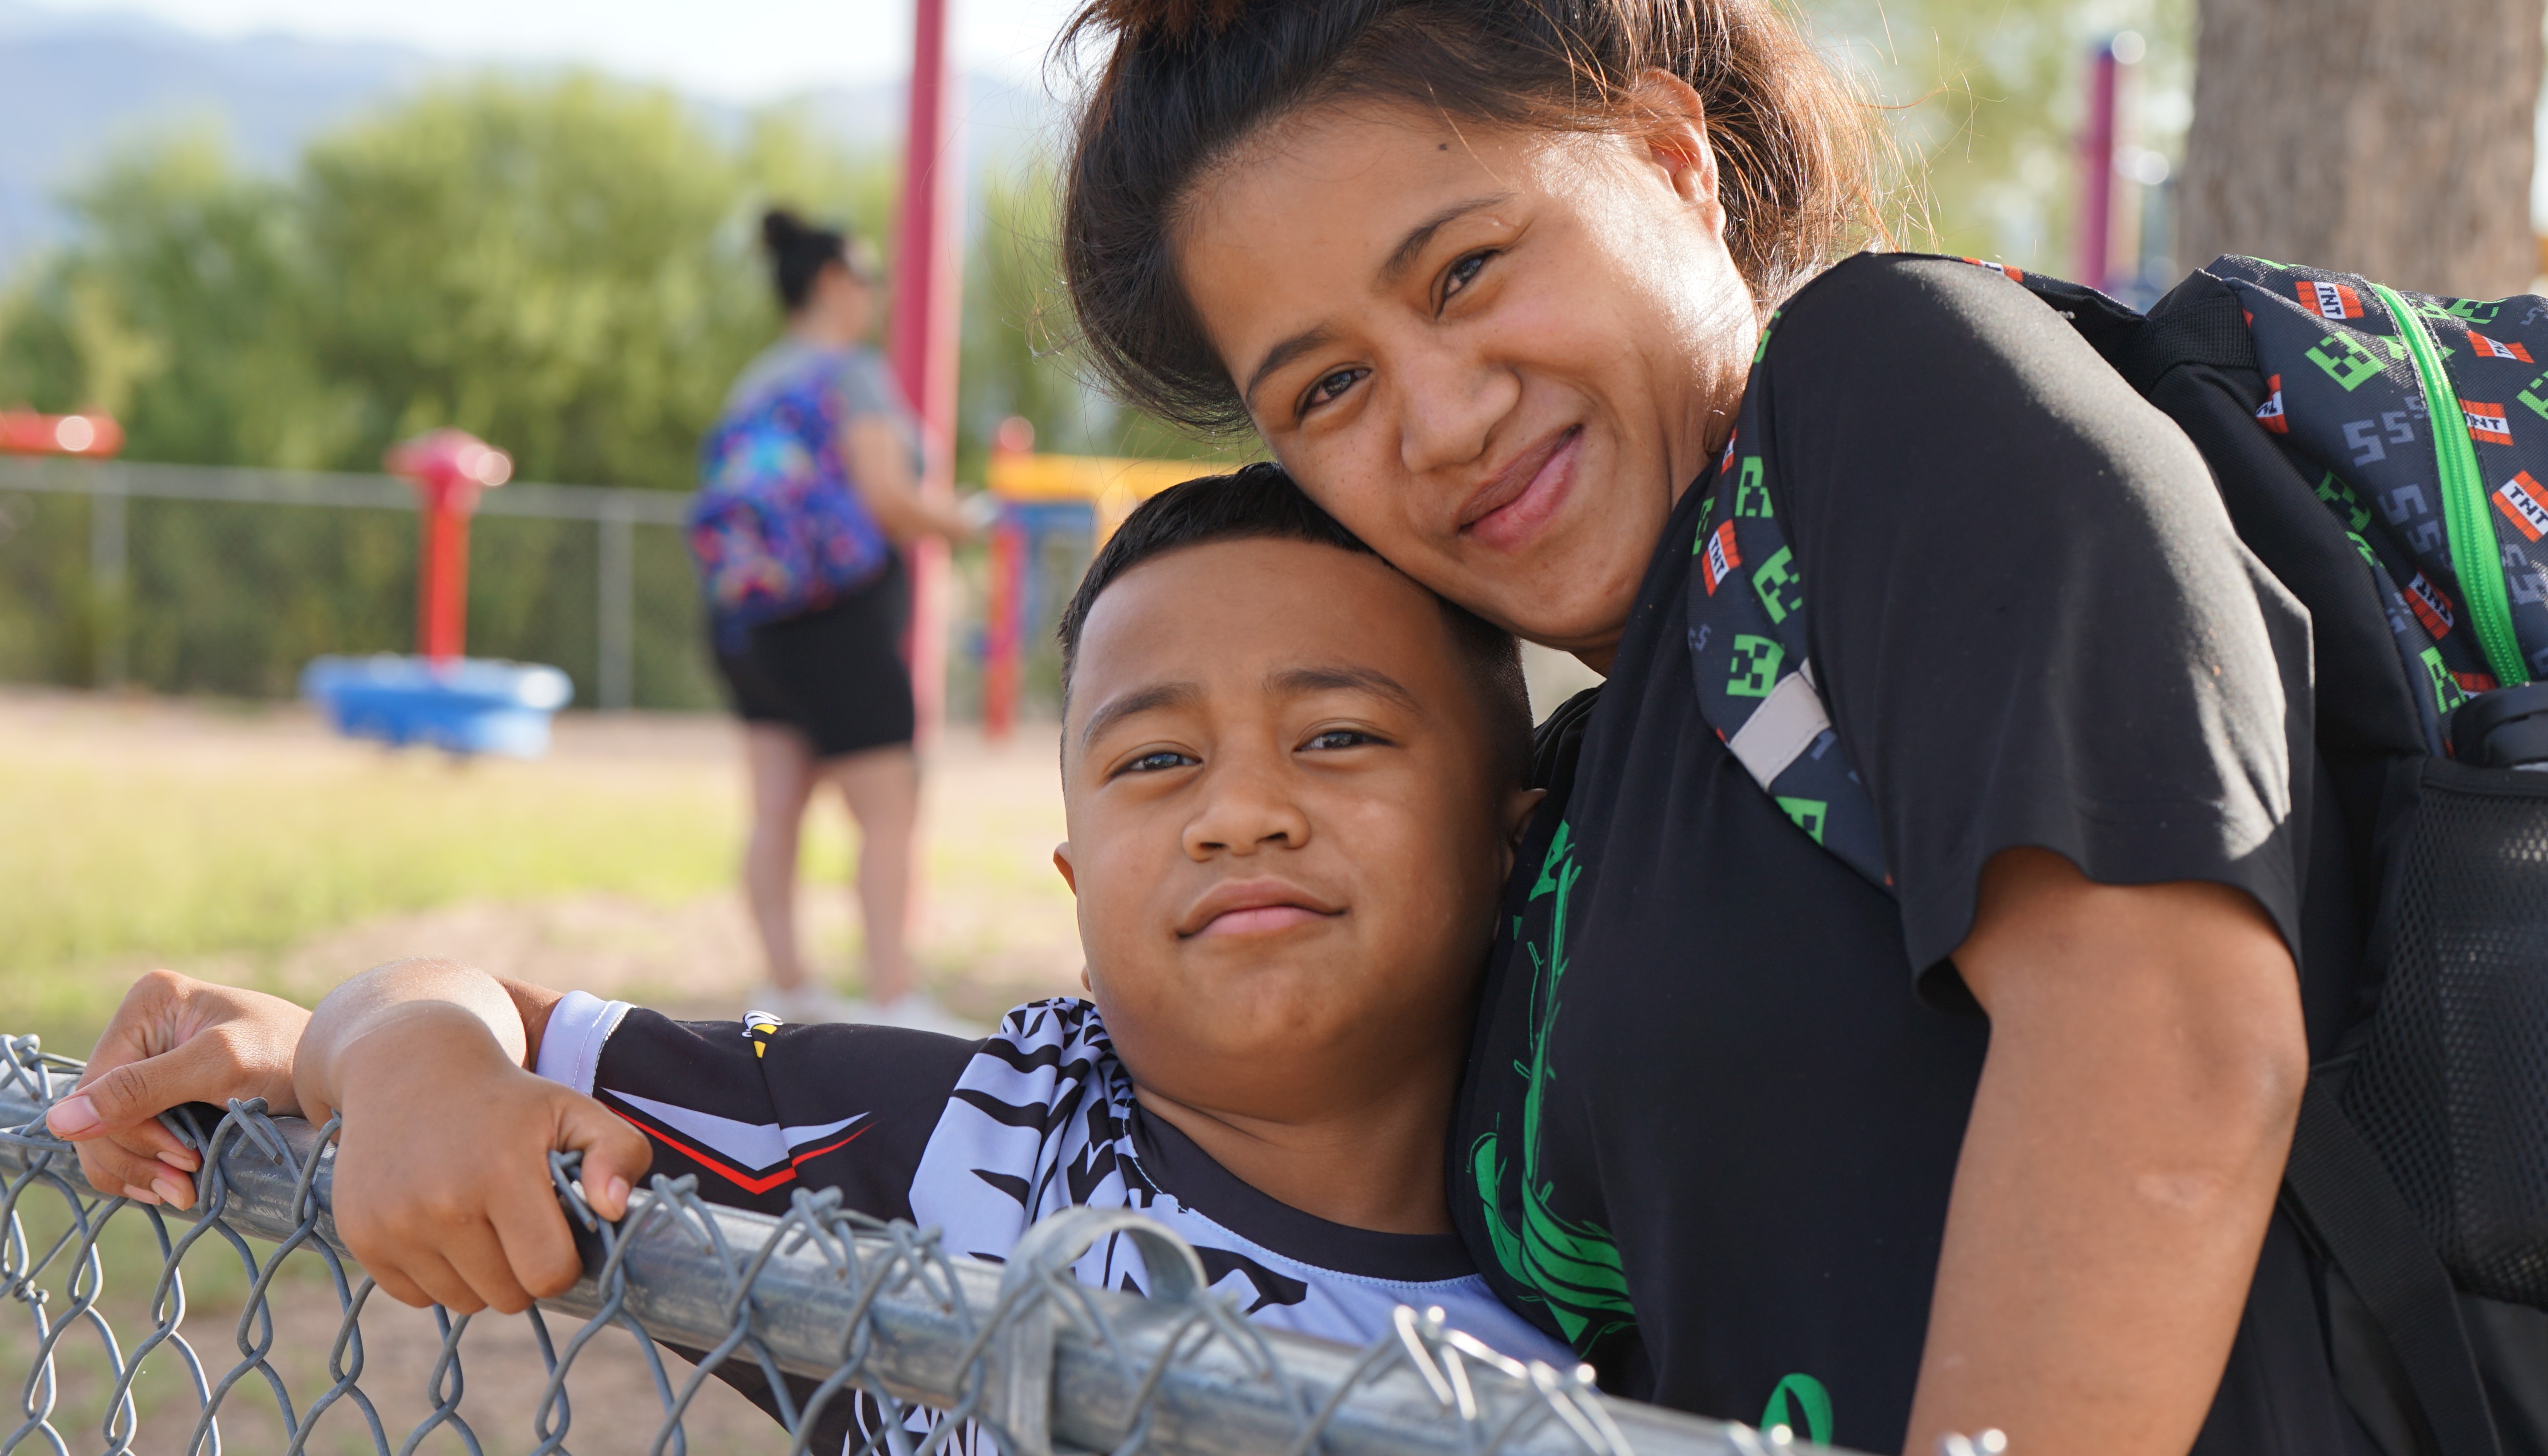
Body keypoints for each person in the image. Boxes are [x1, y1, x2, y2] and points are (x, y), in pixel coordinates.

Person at [1051, 0, 2328, 1453]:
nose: (1437, 419)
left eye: (1467, 270)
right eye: (1331, 385)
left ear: (1673, 156)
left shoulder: (1883, 395)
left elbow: (2172, 1043)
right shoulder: (1578, 784)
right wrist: (625, 1100)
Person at [50, 467, 1567, 1451]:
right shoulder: (960, 1142)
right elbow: (446, 998)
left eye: (1340, 736)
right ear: (1073, 882)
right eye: (1155, 759)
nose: (1239, 808)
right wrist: (399, 1061)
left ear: (1517, 842)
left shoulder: (1642, 1259)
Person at [715, 209, 975, 1031]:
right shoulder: (852, 374)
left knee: (776, 808)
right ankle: (894, 996)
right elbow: (888, 496)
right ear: (832, 283)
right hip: (838, 621)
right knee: (889, 810)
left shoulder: (754, 382)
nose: (876, 297)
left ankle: (789, 986)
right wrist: (963, 522)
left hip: (748, 623)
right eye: (868, 279)